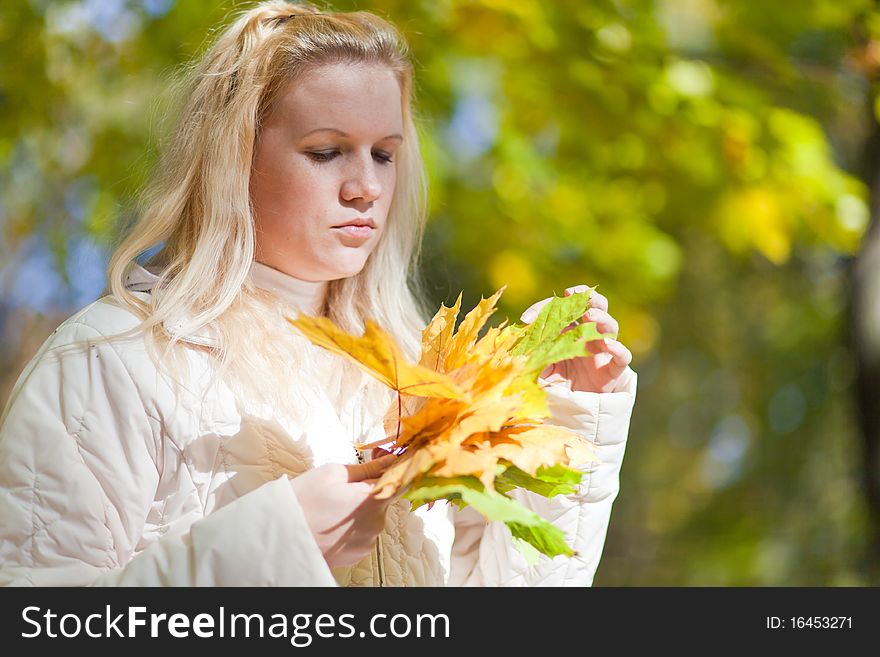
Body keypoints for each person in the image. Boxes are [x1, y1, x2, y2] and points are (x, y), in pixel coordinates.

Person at [0, 0, 637, 587]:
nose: (365, 187)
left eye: (384, 155)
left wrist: (571, 418)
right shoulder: (112, 358)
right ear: (236, 157)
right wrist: (274, 547)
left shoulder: (423, 380)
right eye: (328, 151)